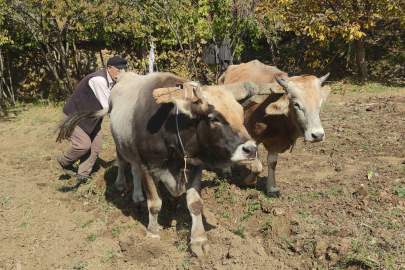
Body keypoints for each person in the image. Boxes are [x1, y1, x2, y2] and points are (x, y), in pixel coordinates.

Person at [57, 56, 128, 184]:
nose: (121, 73)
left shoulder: (114, 81)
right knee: (82, 145)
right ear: (109, 68)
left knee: (96, 144)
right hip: (75, 116)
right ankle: (64, 161)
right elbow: (108, 106)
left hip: (91, 118)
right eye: (119, 70)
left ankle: (83, 175)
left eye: (124, 70)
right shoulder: (99, 80)